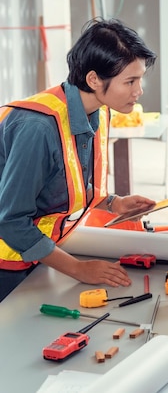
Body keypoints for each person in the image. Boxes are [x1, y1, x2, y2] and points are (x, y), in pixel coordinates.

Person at [0, 18, 157, 301]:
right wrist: (77, 269)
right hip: (7, 263)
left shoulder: (99, 111)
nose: (139, 90)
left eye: (140, 79)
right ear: (94, 79)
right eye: (130, 81)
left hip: (38, 255)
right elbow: (10, 221)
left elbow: (67, 180)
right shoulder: (38, 128)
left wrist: (114, 203)